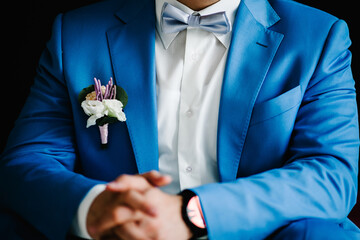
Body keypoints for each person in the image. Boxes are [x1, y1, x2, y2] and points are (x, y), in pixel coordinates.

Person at [1, 0, 359, 239]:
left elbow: (331, 174)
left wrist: (193, 213)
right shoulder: (76, 33)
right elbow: (29, 160)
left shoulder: (318, 36)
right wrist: (95, 207)